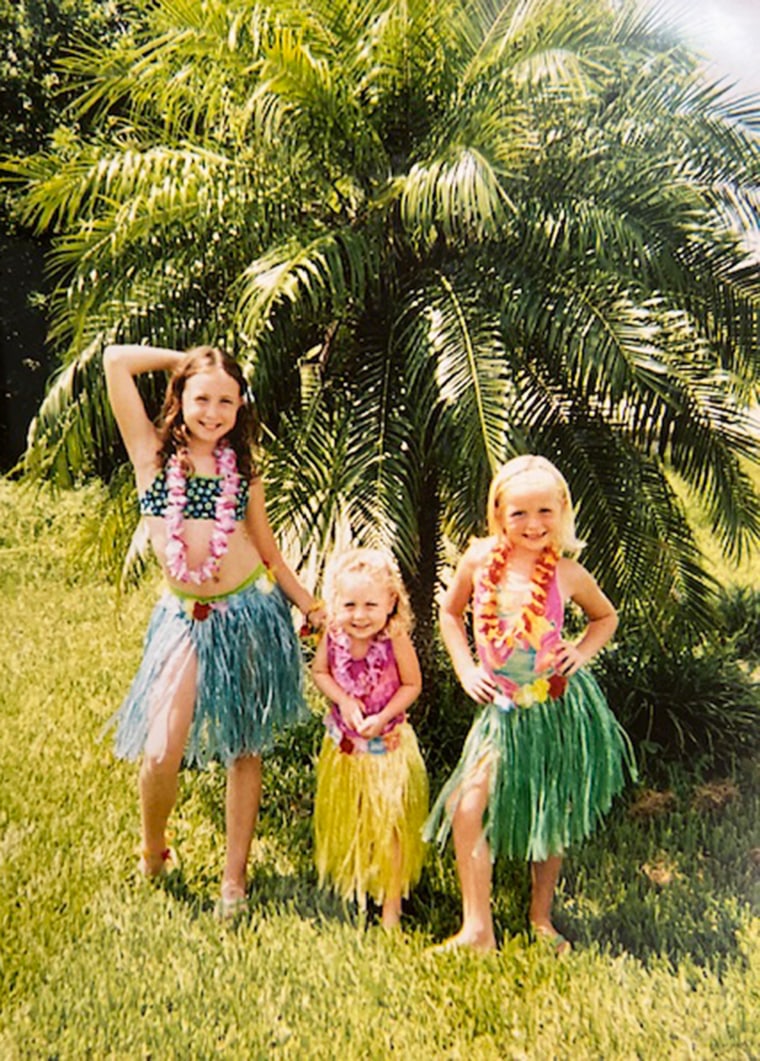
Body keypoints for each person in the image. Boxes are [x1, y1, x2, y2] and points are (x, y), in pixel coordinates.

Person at [103, 342, 324, 918]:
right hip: (183, 618)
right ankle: (154, 850)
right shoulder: (151, 456)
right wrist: (191, 358)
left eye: (227, 400)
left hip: (249, 611)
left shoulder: (243, 471)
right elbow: (114, 361)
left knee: (244, 748)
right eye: (202, 397)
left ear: (240, 407)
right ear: (181, 397)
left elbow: (270, 553)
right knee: (161, 750)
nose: (213, 411)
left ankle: (234, 878)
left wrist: (309, 606)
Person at [426, 455, 636, 954]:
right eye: (518, 513)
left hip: (553, 707)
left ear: (562, 510)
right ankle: (478, 928)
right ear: (497, 512)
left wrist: (579, 653)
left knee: (550, 813)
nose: (533, 524)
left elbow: (605, 618)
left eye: (545, 511)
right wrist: (465, 668)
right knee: (468, 807)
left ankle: (540, 918)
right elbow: (451, 615)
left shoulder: (568, 573)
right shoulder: (478, 561)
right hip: (500, 709)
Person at [311, 548, 429, 930]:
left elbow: (412, 684)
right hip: (346, 749)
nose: (359, 615)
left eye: (369, 605)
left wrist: (382, 716)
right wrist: (343, 700)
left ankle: (392, 907)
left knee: (390, 825)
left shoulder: (395, 638)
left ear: (391, 602)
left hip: (386, 749)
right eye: (349, 605)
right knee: (356, 818)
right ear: (334, 603)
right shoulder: (333, 635)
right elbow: (320, 673)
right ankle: (360, 887)